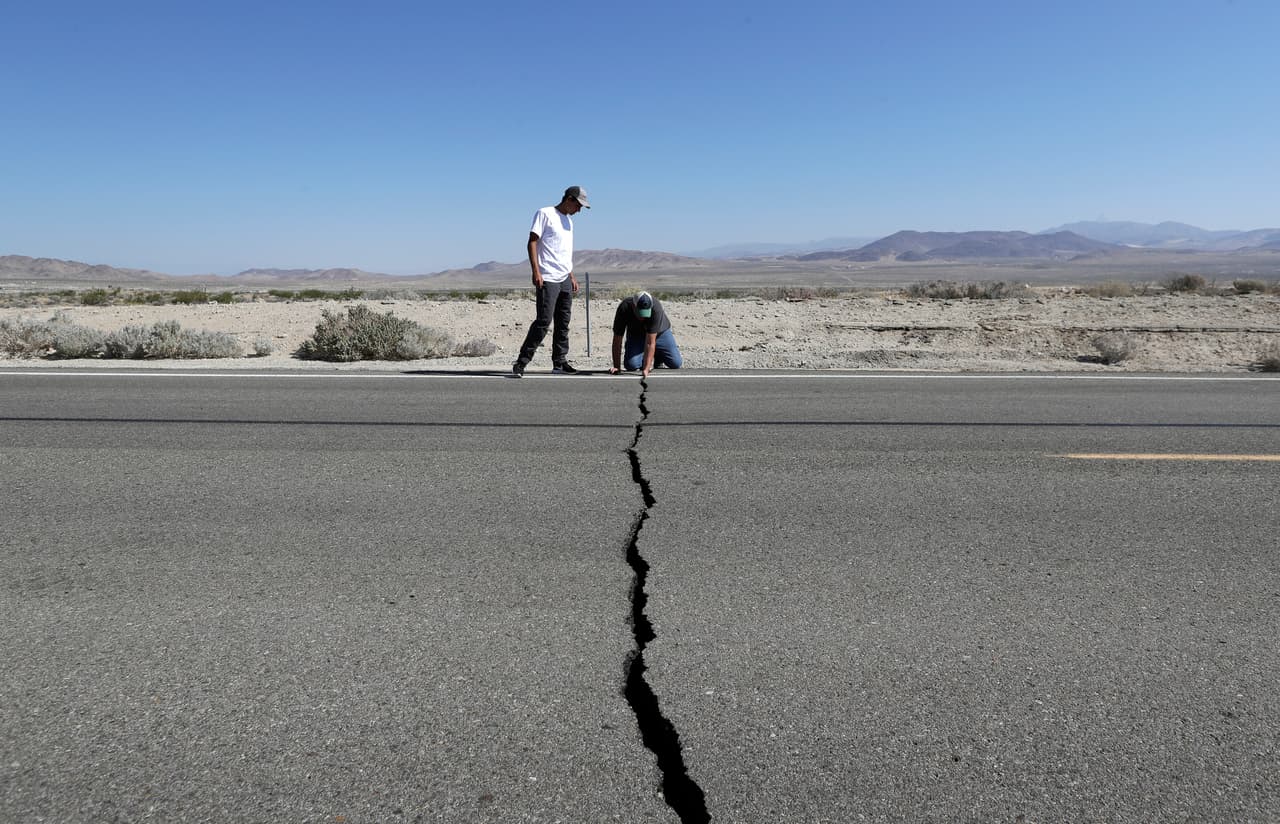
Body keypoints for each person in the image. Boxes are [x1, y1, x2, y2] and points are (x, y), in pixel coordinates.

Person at [512, 185, 589, 377]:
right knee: (544, 321)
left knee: (563, 323)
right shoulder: (544, 213)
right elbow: (532, 241)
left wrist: (571, 275)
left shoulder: (569, 222)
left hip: (564, 277)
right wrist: (536, 271)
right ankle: (521, 362)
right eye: (578, 205)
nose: (579, 210)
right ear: (569, 199)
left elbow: (564, 252)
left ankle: (559, 363)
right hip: (547, 277)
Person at [608, 291, 683, 377]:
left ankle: (658, 356)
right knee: (631, 365)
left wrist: (646, 369)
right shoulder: (624, 308)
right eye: (640, 313)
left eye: (645, 313)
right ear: (633, 305)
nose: (643, 317)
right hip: (636, 335)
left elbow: (650, 342)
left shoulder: (656, 308)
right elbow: (617, 340)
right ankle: (645, 355)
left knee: (676, 363)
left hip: (659, 334)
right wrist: (617, 367)